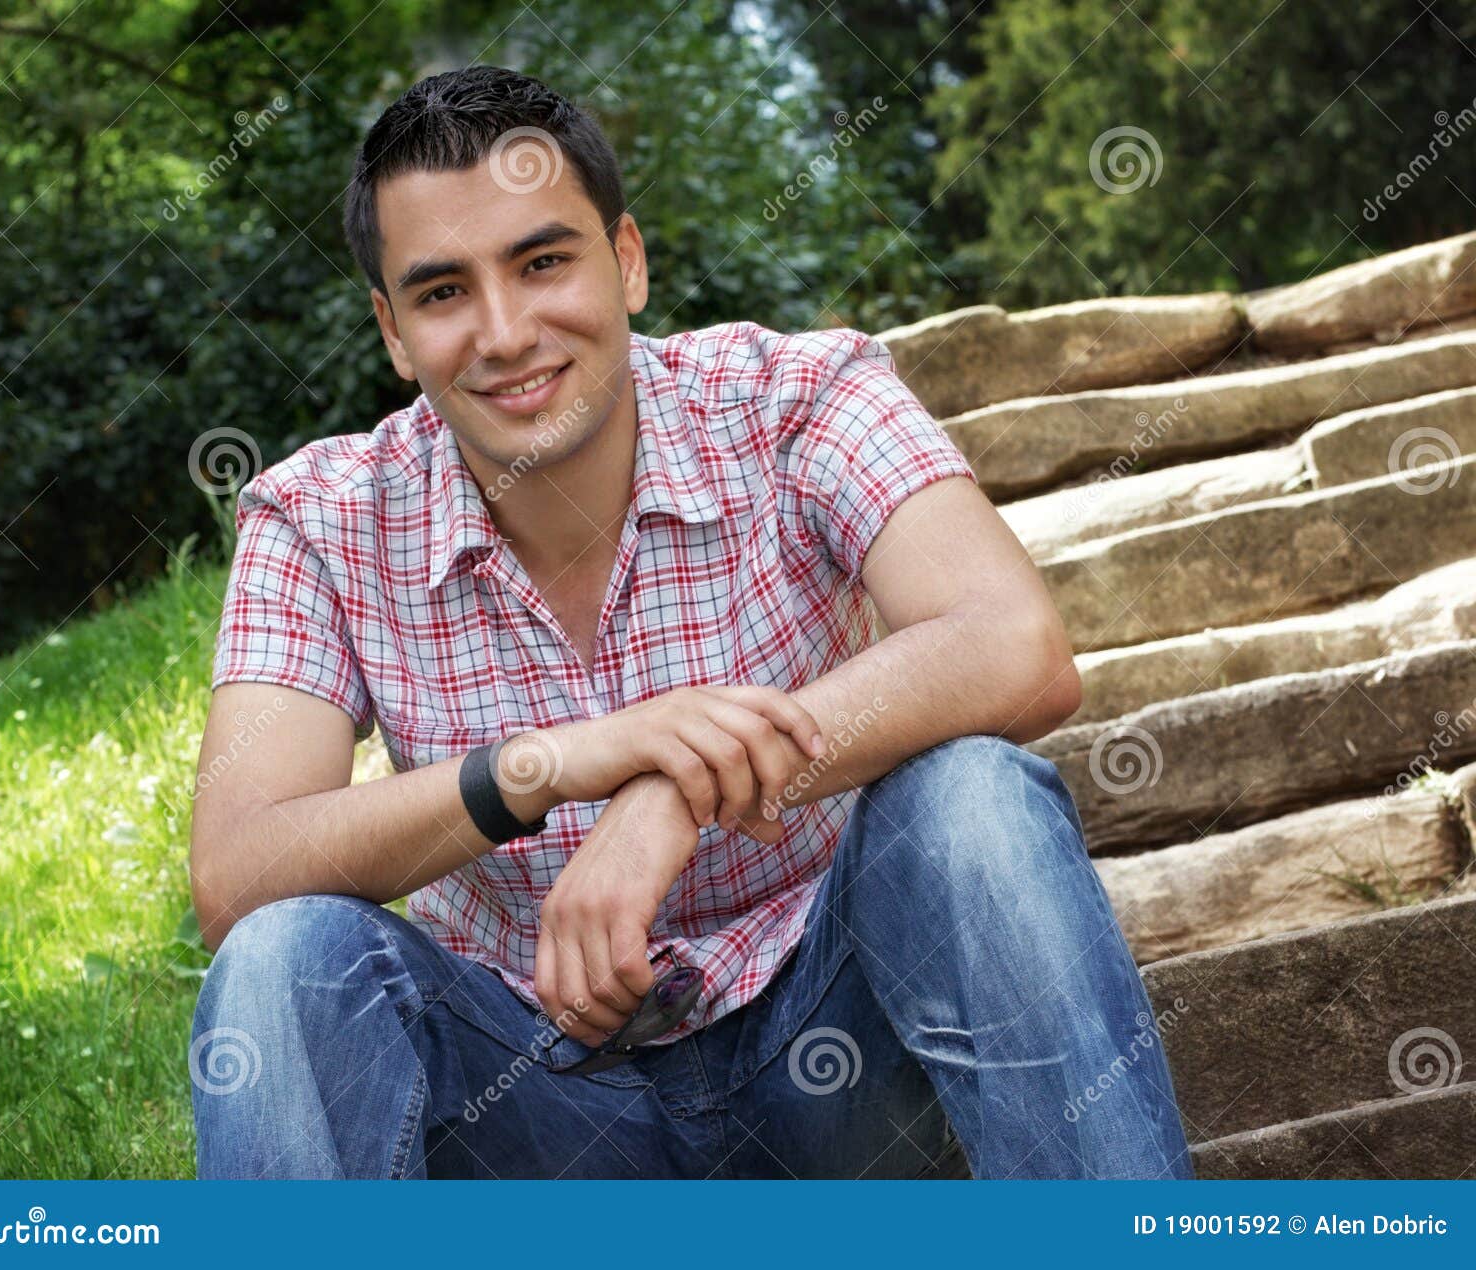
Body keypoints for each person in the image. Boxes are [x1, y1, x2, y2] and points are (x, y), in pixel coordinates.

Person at [186, 63, 1195, 1181]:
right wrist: (547, 767)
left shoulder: (796, 395)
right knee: (287, 957)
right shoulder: (319, 516)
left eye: (542, 261)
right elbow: (238, 873)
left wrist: (671, 791)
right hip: (540, 1117)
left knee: (969, 800)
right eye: (442, 293)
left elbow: (1015, 644)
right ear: (391, 330)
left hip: (838, 1071)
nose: (505, 331)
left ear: (627, 261)